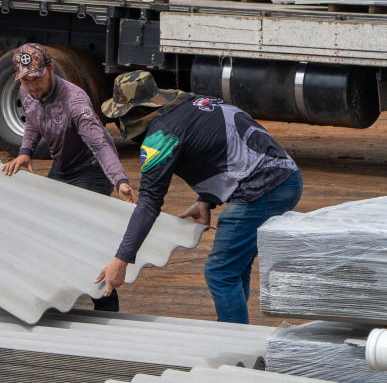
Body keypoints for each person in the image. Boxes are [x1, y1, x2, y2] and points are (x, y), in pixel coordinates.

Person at [94, 71, 302, 324]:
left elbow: (148, 202)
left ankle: (235, 345)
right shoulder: (195, 104)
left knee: (220, 272)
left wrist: (121, 259)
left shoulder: (161, 136)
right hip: (286, 177)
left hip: (262, 188)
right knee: (234, 269)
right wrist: (206, 199)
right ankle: (236, 331)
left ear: (132, 114)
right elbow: (221, 146)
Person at [1, 43, 135, 312]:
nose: (32, 85)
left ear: (51, 68)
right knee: (47, 230)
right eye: (26, 79)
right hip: (61, 167)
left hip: (90, 169)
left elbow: (100, 145)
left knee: (83, 236)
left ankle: (106, 303)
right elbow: (31, 119)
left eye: (37, 77)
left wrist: (120, 181)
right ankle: (55, 295)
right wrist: (26, 151)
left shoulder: (75, 102)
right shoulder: (28, 91)